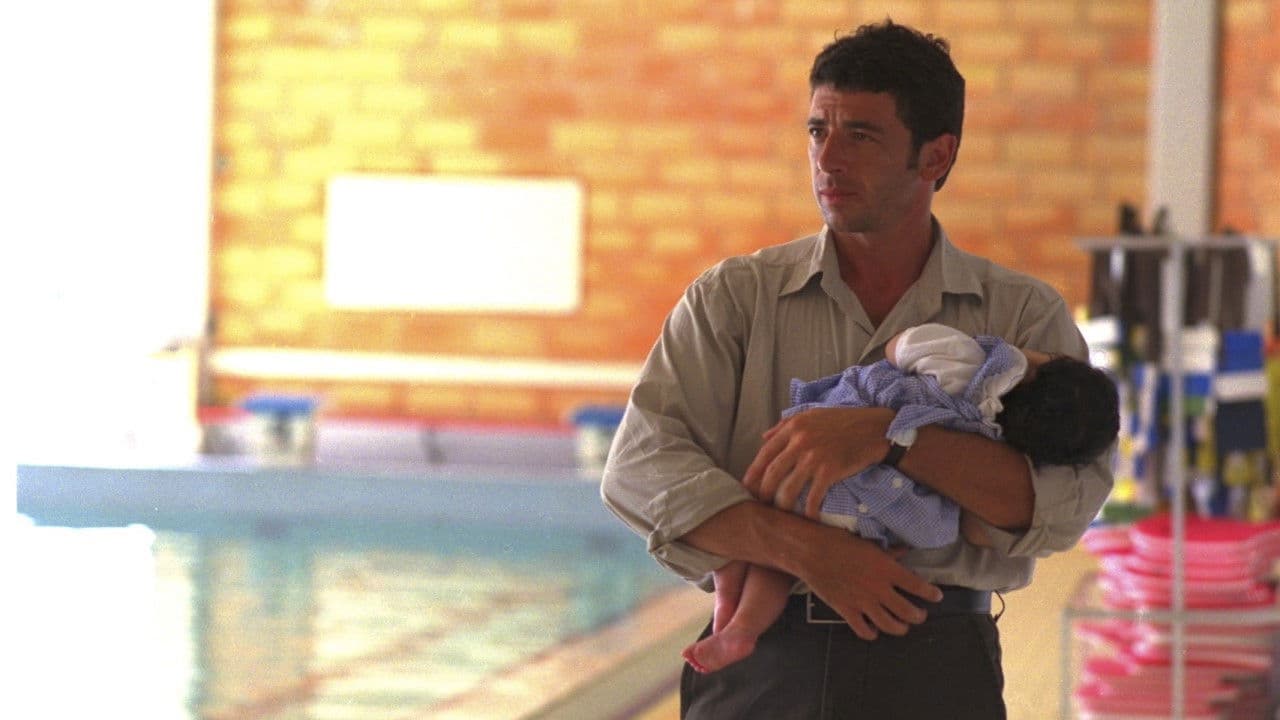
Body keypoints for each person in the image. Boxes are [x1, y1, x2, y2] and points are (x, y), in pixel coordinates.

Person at [601, 18, 1113, 718]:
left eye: (862, 135)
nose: (828, 159)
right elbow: (638, 469)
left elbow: (1064, 503)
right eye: (818, 130)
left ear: (936, 156)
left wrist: (891, 438)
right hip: (762, 665)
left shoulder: (1022, 316)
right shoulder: (734, 299)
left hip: (937, 666)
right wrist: (810, 553)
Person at [680, 323, 1120, 674]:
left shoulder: (971, 364)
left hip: (820, 471)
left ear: (1043, 368)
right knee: (782, 551)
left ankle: (732, 613)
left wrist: (888, 423)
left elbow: (901, 347)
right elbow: (976, 529)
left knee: (763, 532)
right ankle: (740, 629)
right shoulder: (1001, 438)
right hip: (886, 517)